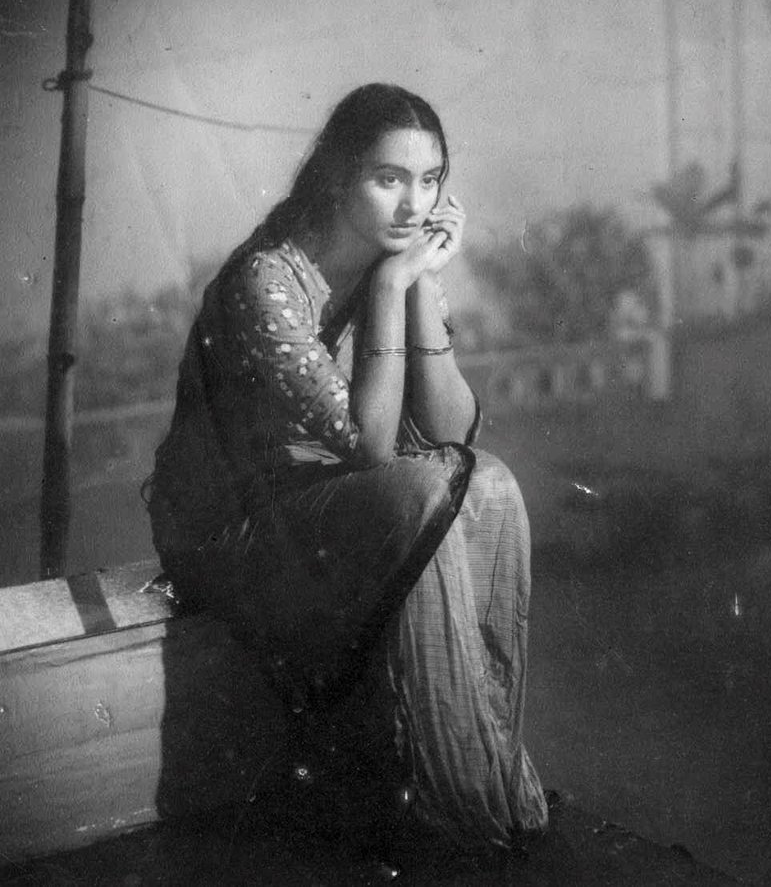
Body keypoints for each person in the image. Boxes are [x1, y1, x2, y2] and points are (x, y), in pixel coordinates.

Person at [145, 83, 549, 855]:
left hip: (330, 509)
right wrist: (394, 284)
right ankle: (448, 797)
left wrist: (414, 284)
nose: (413, 204)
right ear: (337, 177)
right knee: (421, 489)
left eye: (429, 181)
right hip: (234, 533)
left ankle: (485, 771)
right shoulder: (267, 280)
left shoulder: (393, 262)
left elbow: (453, 432)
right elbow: (371, 448)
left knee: (492, 485)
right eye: (388, 179)